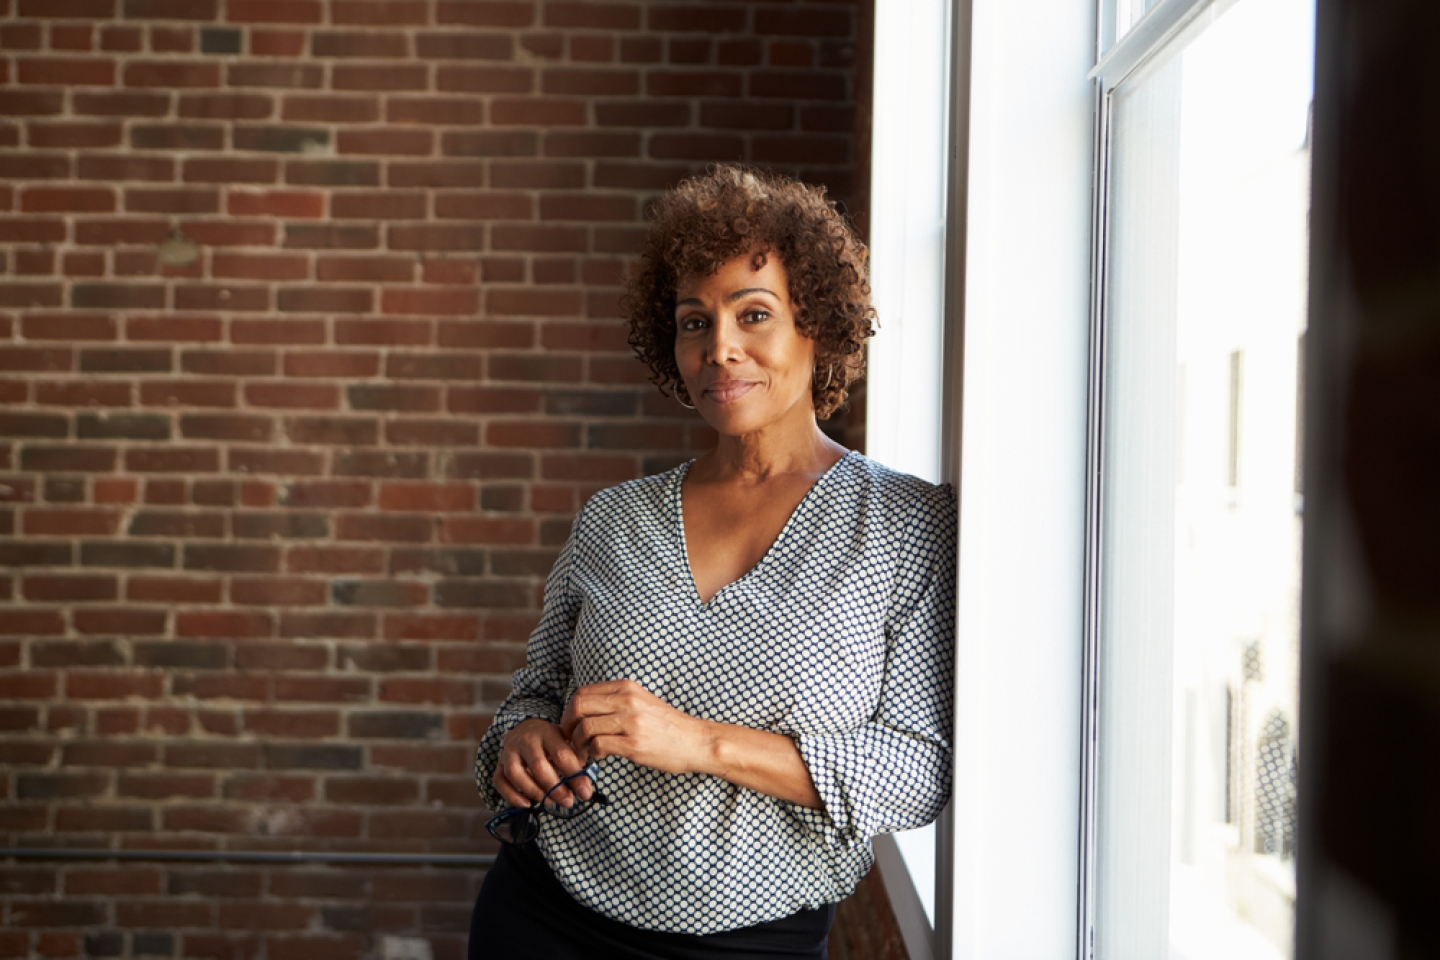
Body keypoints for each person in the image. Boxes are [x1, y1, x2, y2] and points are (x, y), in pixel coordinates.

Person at [468, 164, 956, 959]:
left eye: (752, 314)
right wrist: (520, 736)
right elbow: (532, 693)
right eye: (695, 323)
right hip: (541, 917)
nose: (720, 348)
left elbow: (914, 771)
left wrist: (696, 742)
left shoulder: (904, 526)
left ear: (817, 327)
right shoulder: (614, 519)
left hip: (750, 943)